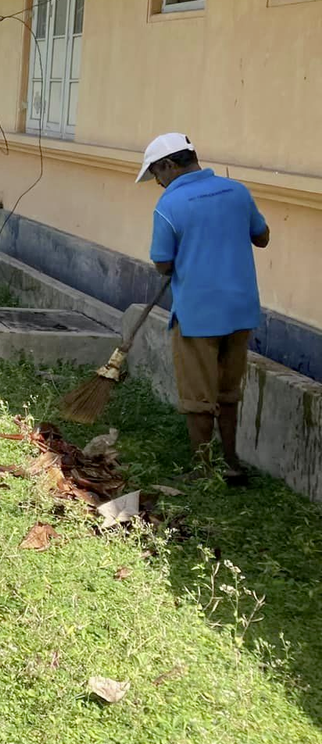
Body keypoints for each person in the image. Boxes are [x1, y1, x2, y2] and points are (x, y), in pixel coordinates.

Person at [140, 133, 269, 484]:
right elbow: (262, 236)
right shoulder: (237, 191)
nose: (158, 182)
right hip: (241, 309)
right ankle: (231, 462)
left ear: (169, 165)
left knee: (198, 395)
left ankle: (204, 469)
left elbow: (163, 263)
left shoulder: (169, 205)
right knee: (228, 392)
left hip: (198, 314)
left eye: (156, 173)